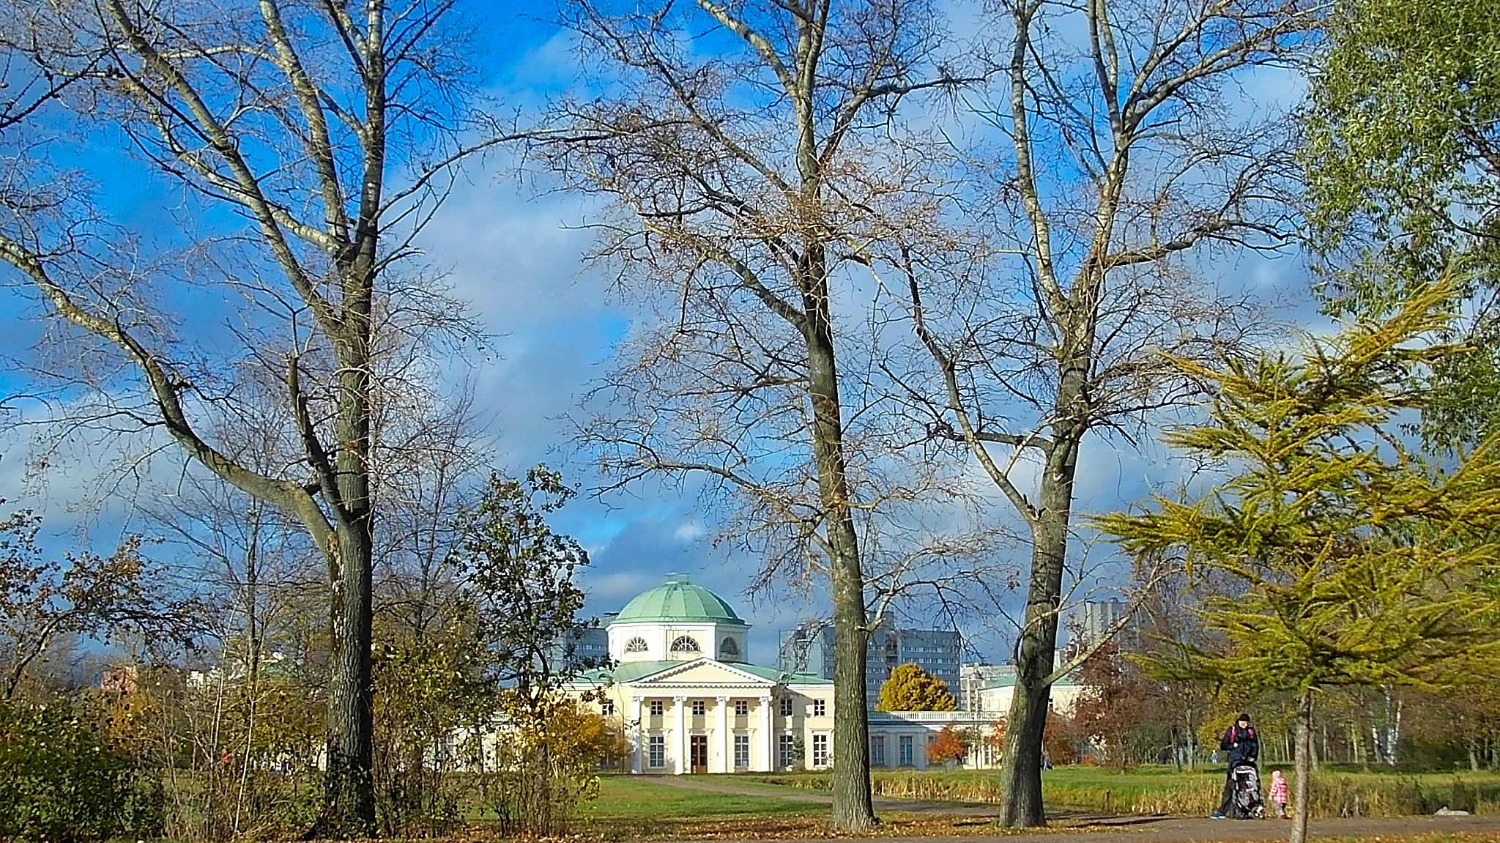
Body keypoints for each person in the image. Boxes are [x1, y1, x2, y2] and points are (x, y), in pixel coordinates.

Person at [1211, 713, 1260, 819]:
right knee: (1231, 786)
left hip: (1249, 763)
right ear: (1238, 722)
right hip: (1235, 763)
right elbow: (1223, 745)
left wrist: (1253, 756)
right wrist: (1233, 746)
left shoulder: (1251, 732)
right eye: (1242, 722)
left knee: (1250, 786)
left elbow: (1256, 745)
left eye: (1246, 722)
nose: (1244, 724)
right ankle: (1223, 811)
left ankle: (1249, 807)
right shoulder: (1232, 731)